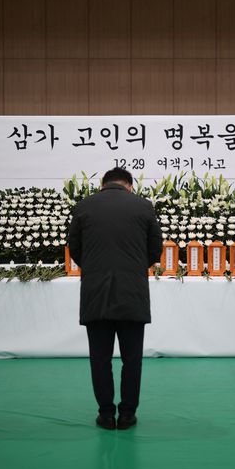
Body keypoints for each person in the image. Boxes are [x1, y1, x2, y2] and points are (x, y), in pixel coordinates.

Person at [66, 167, 163, 430]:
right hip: (132, 294)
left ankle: (106, 414)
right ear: (129, 185)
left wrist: (93, 266)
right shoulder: (143, 206)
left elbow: (74, 247)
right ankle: (128, 414)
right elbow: (156, 249)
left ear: (103, 184)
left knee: (100, 358)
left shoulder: (84, 206)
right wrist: (134, 267)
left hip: (96, 293)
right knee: (132, 359)